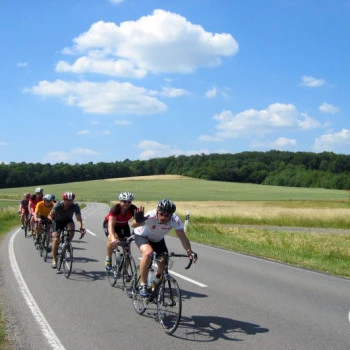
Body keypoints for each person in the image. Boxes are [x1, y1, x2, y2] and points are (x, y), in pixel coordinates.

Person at [130, 199, 198, 298]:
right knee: (148, 253)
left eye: (167, 215)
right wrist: (138, 220)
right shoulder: (151, 216)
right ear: (157, 211)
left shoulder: (175, 220)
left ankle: (153, 287)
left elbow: (182, 237)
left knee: (163, 267)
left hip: (157, 240)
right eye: (161, 214)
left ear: (171, 215)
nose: (163, 217)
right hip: (142, 236)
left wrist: (189, 251)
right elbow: (133, 225)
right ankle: (143, 285)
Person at [48, 192, 86, 269]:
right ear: (64, 200)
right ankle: (54, 259)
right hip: (57, 221)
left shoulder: (75, 206)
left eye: (71, 200)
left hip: (67, 220)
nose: (69, 202)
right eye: (67, 200)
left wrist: (81, 228)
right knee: (56, 239)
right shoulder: (58, 205)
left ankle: (67, 243)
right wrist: (52, 219)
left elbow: (78, 218)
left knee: (72, 228)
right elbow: (50, 215)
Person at [104, 192, 138, 272]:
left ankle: (125, 272)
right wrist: (112, 238)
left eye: (129, 202)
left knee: (127, 250)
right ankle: (108, 259)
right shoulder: (115, 209)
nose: (127, 204)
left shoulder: (133, 209)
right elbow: (111, 225)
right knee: (113, 238)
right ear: (120, 201)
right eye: (124, 201)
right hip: (110, 224)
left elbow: (137, 223)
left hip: (123, 225)